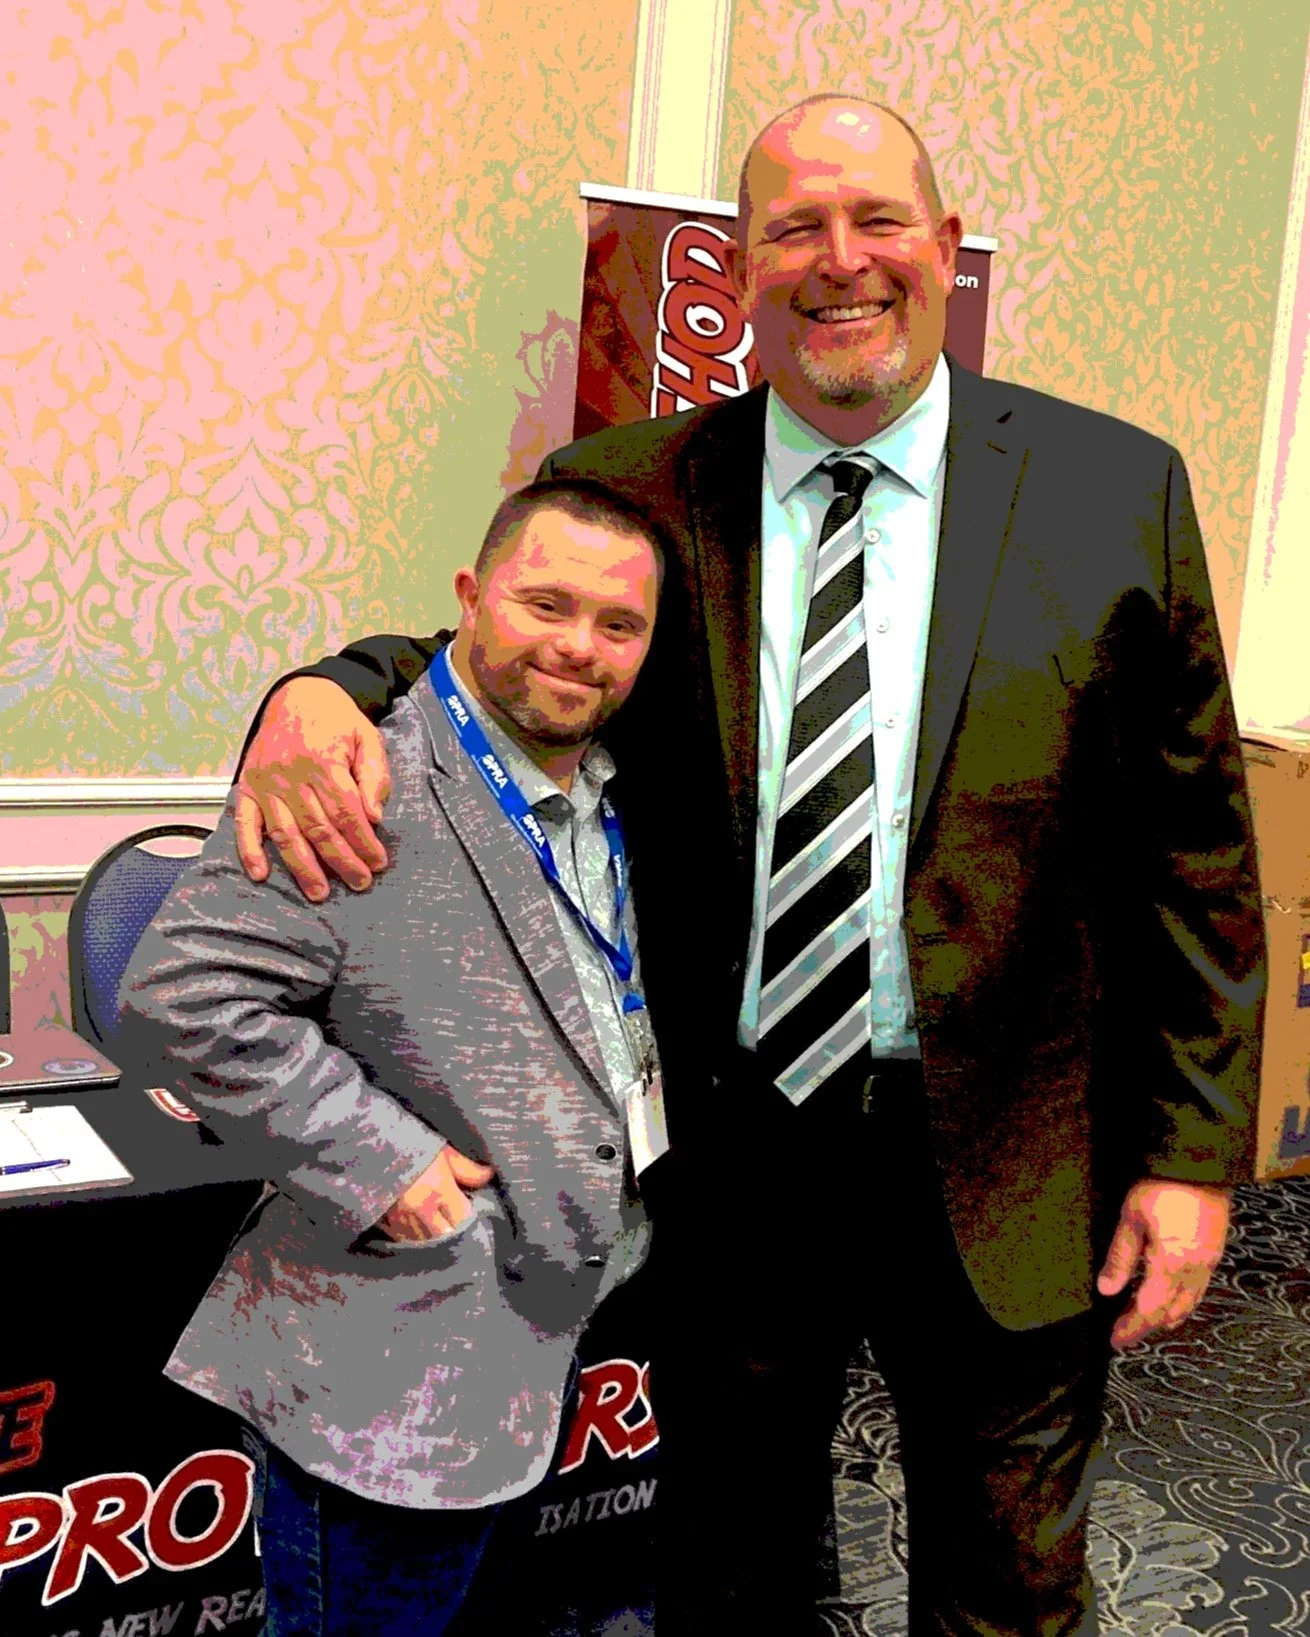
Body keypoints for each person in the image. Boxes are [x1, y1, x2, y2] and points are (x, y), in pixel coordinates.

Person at [229, 97, 1266, 1635]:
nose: (840, 260)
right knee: (727, 1569)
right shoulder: (632, 484)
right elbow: (501, 659)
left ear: (942, 246)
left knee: (1009, 1585)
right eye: (793, 229)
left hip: (1014, 1153)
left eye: (876, 220)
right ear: (736, 267)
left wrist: (1188, 1159)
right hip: (734, 1155)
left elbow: (1196, 857)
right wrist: (322, 688)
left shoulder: (1112, 491)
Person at [119, 478, 669, 1636]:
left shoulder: (609, 784)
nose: (579, 646)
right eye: (545, 604)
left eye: (617, 623)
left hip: (533, 1330)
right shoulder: (355, 776)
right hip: (389, 1355)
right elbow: (181, 998)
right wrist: (387, 1163)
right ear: (469, 597)